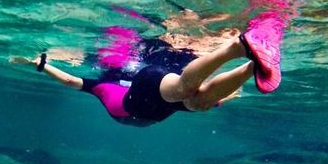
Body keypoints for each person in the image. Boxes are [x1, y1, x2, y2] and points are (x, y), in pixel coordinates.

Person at [14, 28, 280, 127]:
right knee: (200, 103)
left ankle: (236, 46)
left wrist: (41, 64)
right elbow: (215, 100)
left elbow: (70, 81)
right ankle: (255, 65)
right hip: (159, 106)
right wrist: (228, 96)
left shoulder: (99, 85)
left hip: (144, 95)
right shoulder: (102, 85)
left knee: (184, 90)